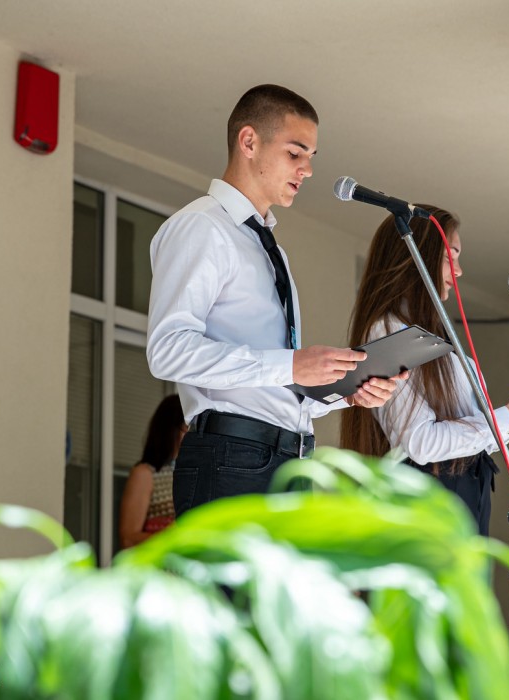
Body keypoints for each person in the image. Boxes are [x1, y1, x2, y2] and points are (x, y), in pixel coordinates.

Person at [147, 84, 404, 518]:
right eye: (295, 153)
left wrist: (346, 390)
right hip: (232, 459)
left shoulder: (267, 247)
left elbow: (270, 386)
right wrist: (291, 365)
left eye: (311, 157)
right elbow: (167, 351)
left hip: (286, 460)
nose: (307, 170)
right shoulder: (201, 227)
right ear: (249, 142)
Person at [340, 206, 509, 535]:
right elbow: (421, 443)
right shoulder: (389, 329)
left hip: (455, 500)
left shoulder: (431, 335)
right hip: (425, 509)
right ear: (415, 256)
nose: (458, 271)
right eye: (449, 256)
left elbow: (462, 438)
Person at [118, 394, 187, 549]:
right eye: (187, 427)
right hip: (159, 563)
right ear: (170, 428)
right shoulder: (145, 473)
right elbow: (128, 539)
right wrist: (174, 537)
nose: (192, 435)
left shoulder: (193, 473)